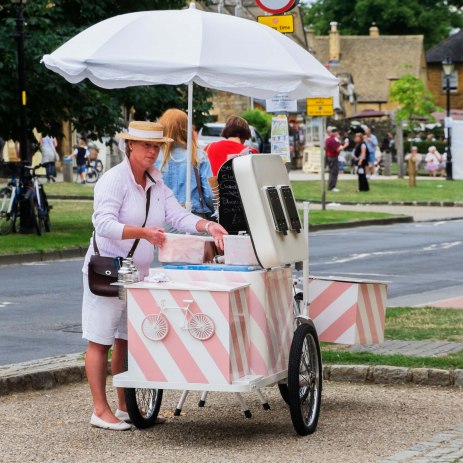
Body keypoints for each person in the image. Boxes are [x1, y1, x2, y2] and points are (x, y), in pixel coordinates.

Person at [81, 121, 227, 431]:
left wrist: (207, 226)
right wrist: (144, 233)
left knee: (126, 339)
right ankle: (99, 409)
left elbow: (177, 215)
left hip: (137, 274)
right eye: (146, 145)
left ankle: (123, 406)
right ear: (129, 146)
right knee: (99, 340)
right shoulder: (113, 180)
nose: (152, 150)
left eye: (157, 146)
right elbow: (103, 225)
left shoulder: (156, 182)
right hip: (108, 270)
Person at [155, 109, 214, 218]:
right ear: (187, 128)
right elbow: (210, 195)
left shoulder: (153, 156)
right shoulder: (198, 156)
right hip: (194, 217)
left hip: (162, 217)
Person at [324, 127, 347, 192]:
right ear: (335, 133)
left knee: (331, 172)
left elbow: (325, 148)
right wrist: (345, 145)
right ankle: (332, 186)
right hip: (333, 157)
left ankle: (330, 185)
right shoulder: (335, 139)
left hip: (329, 156)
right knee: (334, 172)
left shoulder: (327, 139)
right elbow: (337, 149)